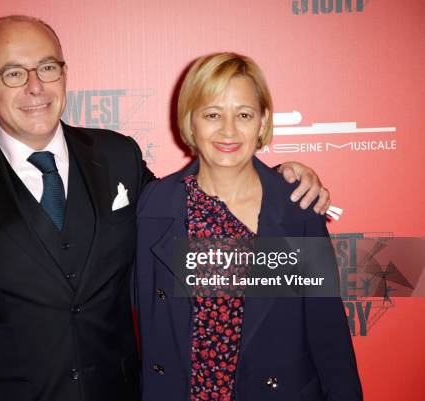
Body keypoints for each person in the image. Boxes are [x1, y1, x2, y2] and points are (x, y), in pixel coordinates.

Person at [0, 16, 330, 401]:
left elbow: (195, 217)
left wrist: (277, 180)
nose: (35, 86)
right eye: (14, 73)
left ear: (64, 75)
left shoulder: (118, 156)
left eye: (47, 67)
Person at [134, 52, 362, 401]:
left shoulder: (296, 208)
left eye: (243, 115)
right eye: (212, 114)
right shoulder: (154, 205)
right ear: (190, 120)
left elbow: (328, 335)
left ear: (262, 121)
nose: (228, 130)